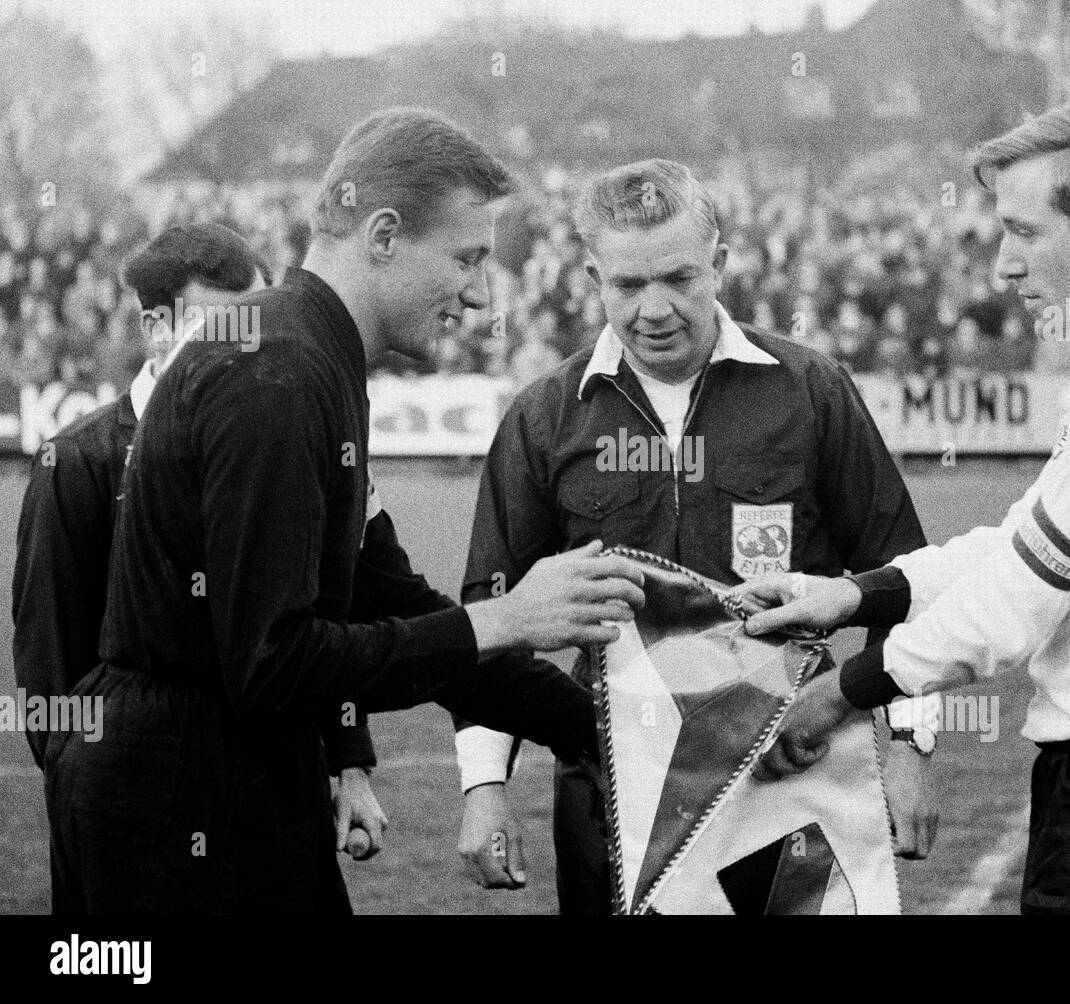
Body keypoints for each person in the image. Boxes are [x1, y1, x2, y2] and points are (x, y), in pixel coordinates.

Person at [41, 107, 646, 914]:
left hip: (228, 780)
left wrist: (603, 733)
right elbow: (272, 664)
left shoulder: (312, 360)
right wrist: (500, 620)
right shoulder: (277, 372)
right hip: (183, 806)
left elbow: (387, 597)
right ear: (385, 235)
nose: (477, 293)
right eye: (466, 258)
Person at [735, 98, 1070, 914]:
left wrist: (839, 694)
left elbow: (1016, 603)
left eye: (1025, 232)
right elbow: (1016, 544)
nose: (1003, 265)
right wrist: (855, 592)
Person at [453, 159, 937, 912]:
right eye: (628, 285)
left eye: (679, 278)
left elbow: (898, 573)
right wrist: (485, 788)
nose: (655, 308)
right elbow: (490, 613)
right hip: (610, 781)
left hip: (788, 764)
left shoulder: (811, 389)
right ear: (592, 275)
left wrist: (910, 746)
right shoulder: (545, 417)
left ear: (719, 263)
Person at [13, 222, 398, 860]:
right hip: (137, 812)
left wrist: (349, 764)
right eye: (223, 326)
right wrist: (96, 794)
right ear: (157, 330)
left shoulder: (285, 436)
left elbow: (327, 615)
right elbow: (51, 665)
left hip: (275, 792)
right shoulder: (78, 462)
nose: (250, 346)